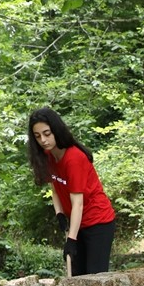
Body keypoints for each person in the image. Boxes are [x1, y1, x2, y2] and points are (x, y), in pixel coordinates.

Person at [27, 107, 117, 276]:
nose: (43, 140)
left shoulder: (74, 158)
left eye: (47, 133)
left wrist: (72, 240)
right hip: (77, 222)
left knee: (94, 278)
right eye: (38, 136)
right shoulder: (48, 156)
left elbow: (78, 203)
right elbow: (55, 188)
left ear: (56, 130)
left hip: (98, 222)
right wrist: (59, 214)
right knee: (77, 277)